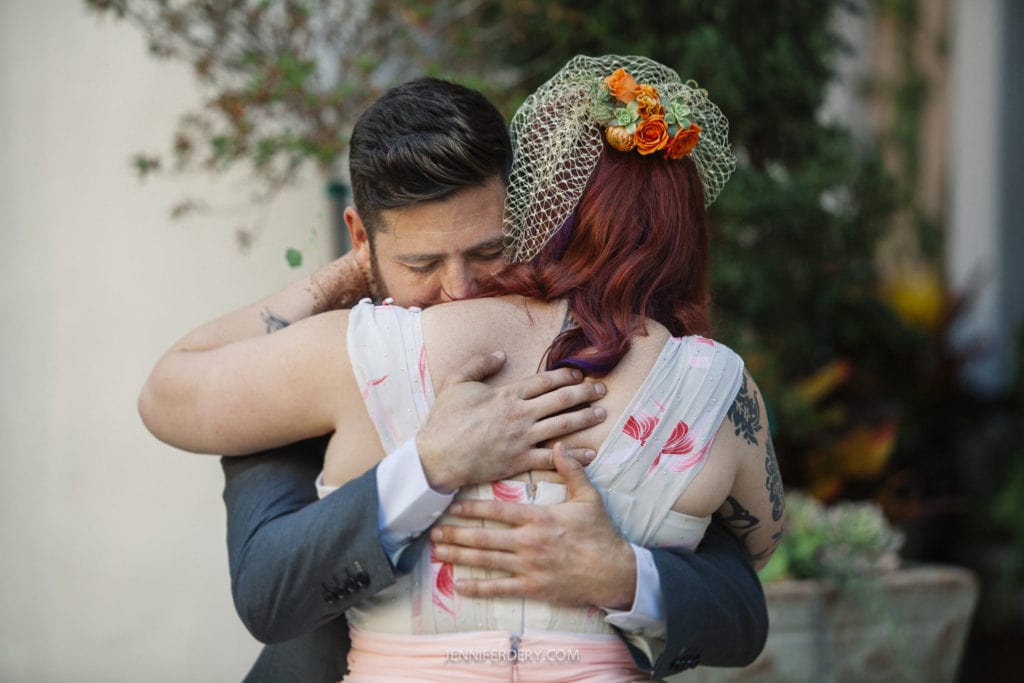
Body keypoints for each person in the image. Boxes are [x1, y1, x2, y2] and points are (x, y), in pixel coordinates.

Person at [147, 64, 778, 680]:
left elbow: (732, 592)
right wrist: (428, 465)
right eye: (422, 262)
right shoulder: (326, 357)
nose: (459, 289)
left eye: (488, 251)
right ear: (362, 241)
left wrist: (626, 572)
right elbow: (263, 578)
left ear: (531, 220)